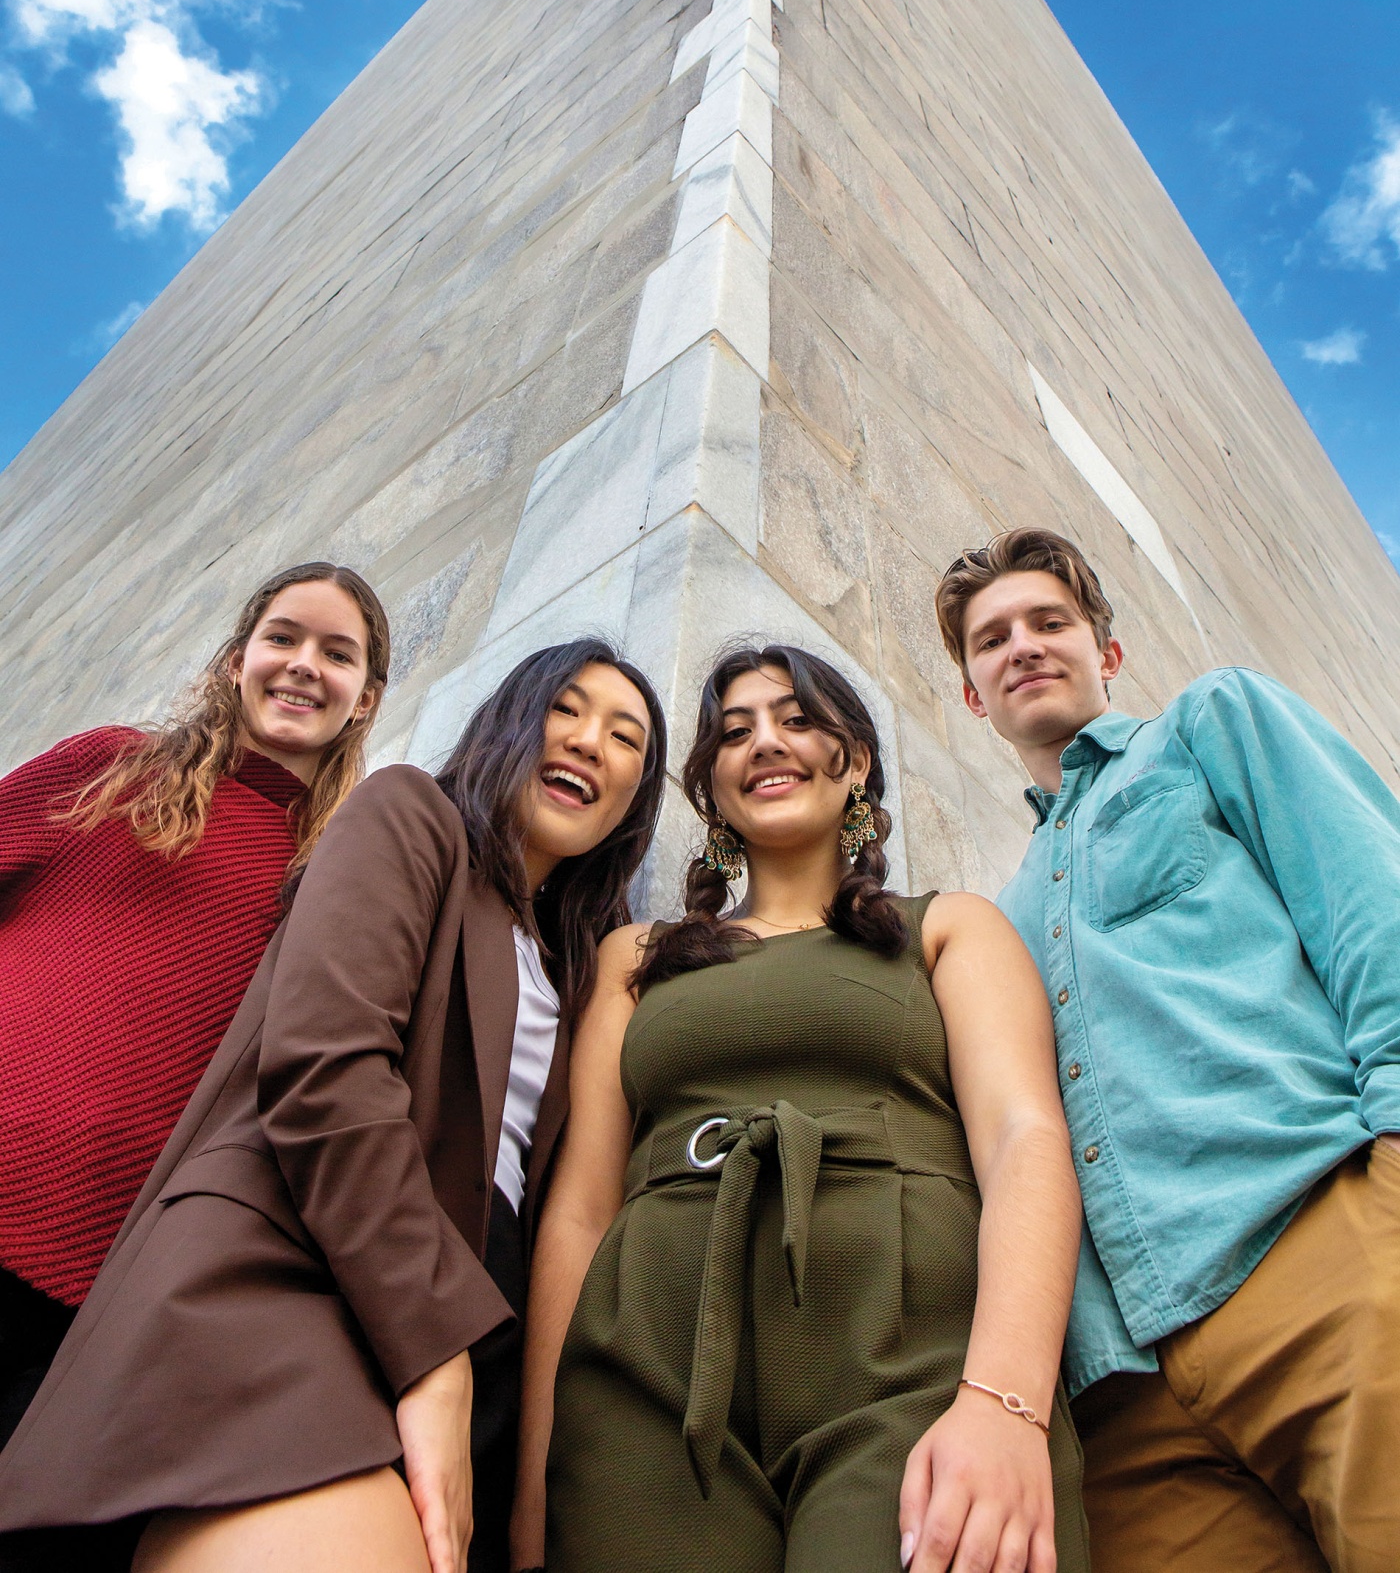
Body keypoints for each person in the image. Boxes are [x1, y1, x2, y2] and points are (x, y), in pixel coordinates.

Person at [0, 637, 667, 1573]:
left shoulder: (582, 970)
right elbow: (325, 1067)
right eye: (567, 708)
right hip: (301, 1274)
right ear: (513, 720)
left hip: (487, 1332)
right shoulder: (408, 813)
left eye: (627, 737)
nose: (591, 741)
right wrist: (435, 1354)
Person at [514, 642, 1089, 1573]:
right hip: (645, 1378)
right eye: (734, 732)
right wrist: (534, 1489)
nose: (764, 743)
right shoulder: (635, 957)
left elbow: (1026, 1140)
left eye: (795, 718)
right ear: (711, 787)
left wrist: (1006, 1400)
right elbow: (579, 1210)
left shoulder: (947, 926)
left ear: (855, 759)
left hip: (917, 1366)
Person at [934, 524, 1400, 1573]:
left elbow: (1375, 915)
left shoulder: (1210, 725)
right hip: (1125, 1395)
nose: (1022, 646)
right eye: (991, 638)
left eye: (1049, 622)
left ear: (1105, 651)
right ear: (971, 697)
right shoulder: (994, 922)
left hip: (1317, 1251)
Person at [0, 559, 389, 1477]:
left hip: (102, 1284)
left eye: (337, 654)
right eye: (283, 638)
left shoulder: (334, 880)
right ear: (234, 661)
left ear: (365, 700)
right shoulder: (111, 767)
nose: (303, 665)